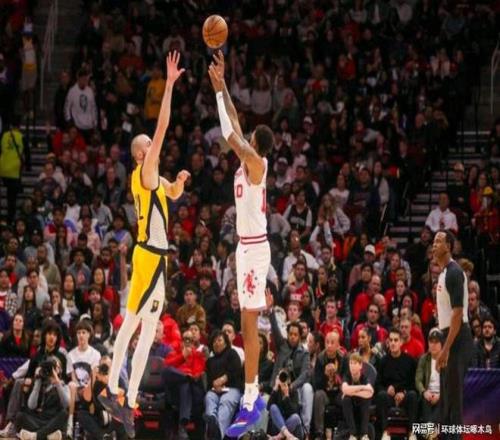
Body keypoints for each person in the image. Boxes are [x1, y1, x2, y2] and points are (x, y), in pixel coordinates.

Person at [98, 51, 188, 438]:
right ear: (140, 154)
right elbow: (163, 125)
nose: (155, 147)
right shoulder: (145, 170)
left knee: (145, 328)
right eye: (149, 145)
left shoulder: (152, 180)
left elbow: (173, 193)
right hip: (149, 257)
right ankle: (115, 391)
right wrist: (169, 86)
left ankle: (125, 397)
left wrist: (179, 182)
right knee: (137, 325)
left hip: (154, 257)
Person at [208, 51, 275, 436]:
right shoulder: (251, 159)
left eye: (249, 139)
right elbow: (234, 122)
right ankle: (252, 394)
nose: (244, 138)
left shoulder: (256, 164)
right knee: (246, 320)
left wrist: (218, 96)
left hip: (255, 247)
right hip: (245, 247)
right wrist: (221, 86)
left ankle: (251, 398)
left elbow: (228, 133)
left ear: (255, 146)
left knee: (250, 323)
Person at [433, 230, 474, 436]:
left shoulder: (454, 272)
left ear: (448, 246)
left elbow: (458, 313)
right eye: (433, 242)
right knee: (447, 401)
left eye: (438, 241)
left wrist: (446, 349)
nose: (434, 245)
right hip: (449, 336)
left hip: (457, 338)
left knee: (455, 402)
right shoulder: (443, 273)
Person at [341, 353, 374, 440]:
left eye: (355, 363)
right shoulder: (347, 376)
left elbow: (370, 392)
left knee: (366, 399)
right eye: (350, 363)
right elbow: (344, 389)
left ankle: (364, 435)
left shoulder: (364, 377)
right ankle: (353, 435)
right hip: (350, 409)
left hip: (362, 409)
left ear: (360, 365)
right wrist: (363, 387)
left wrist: (351, 392)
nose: (352, 366)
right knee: (346, 399)